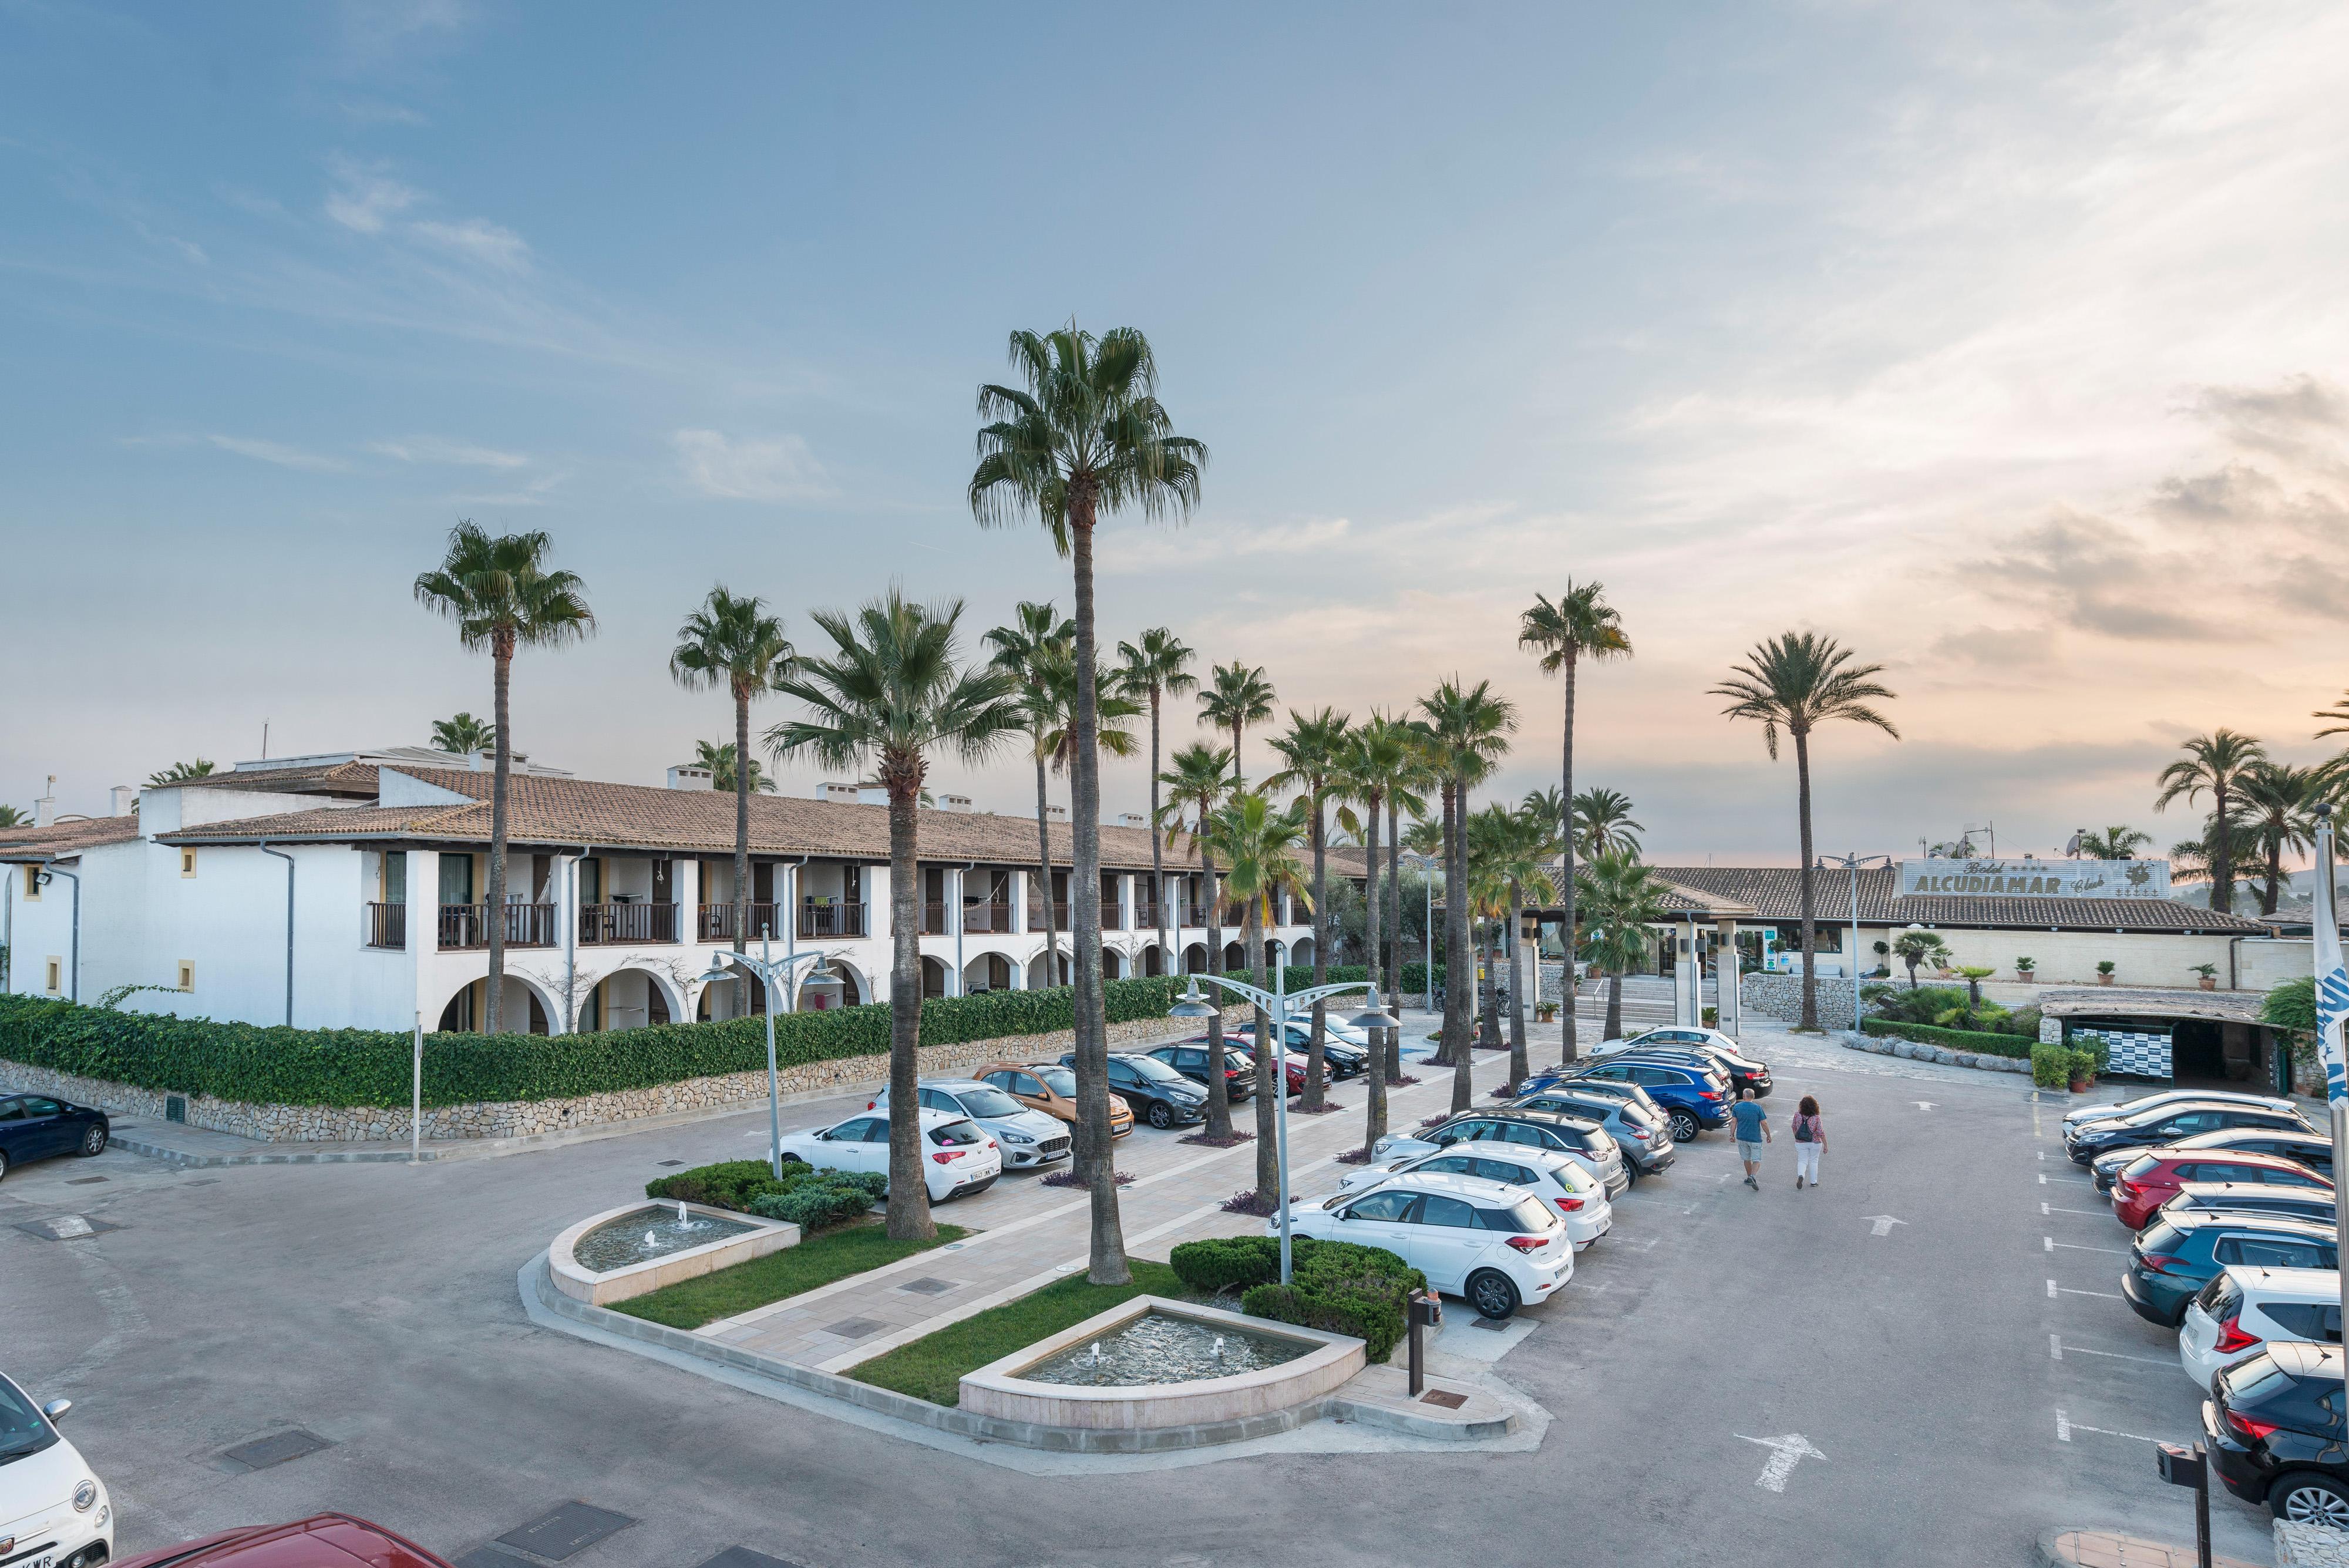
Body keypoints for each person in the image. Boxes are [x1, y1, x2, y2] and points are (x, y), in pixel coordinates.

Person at [1729, 1086, 1770, 1190]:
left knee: (1747, 1159)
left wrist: (1732, 1135)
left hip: (1742, 1138)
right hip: (1755, 1138)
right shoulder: (1758, 1108)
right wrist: (1768, 1135)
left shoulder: (1737, 1107)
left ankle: (1749, 1178)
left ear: (1744, 1096)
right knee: (1757, 1160)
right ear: (1753, 1097)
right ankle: (1752, 1176)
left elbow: (1734, 1122)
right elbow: (1764, 1123)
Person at [1792, 1094, 1826, 1189]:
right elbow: (1820, 1132)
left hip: (1800, 1142)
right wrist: (1825, 1145)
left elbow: (1794, 1127)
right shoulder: (1816, 1117)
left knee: (1802, 1160)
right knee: (1814, 1161)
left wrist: (1797, 1137)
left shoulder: (1797, 1114)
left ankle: (1801, 1176)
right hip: (1815, 1142)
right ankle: (1814, 1182)